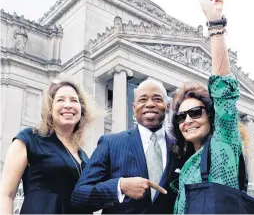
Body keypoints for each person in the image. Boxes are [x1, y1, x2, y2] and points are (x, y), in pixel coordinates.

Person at [171, 0, 246, 214]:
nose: (188, 120)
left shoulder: (223, 144)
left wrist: (215, 26)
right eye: (181, 116)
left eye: (195, 112)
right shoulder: (187, 164)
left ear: (211, 116)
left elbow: (223, 91)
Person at [71, 79, 183, 214]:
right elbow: (79, 196)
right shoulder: (110, 143)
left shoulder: (180, 147)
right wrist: (120, 186)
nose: (149, 104)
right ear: (133, 107)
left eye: (157, 99)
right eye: (142, 99)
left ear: (168, 106)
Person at [0, 77, 92, 214]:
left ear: (81, 110)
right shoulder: (29, 138)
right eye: (60, 100)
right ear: (50, 108)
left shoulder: (83, 156)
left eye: (74, 100)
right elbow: (6, 195)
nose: (68, 105)